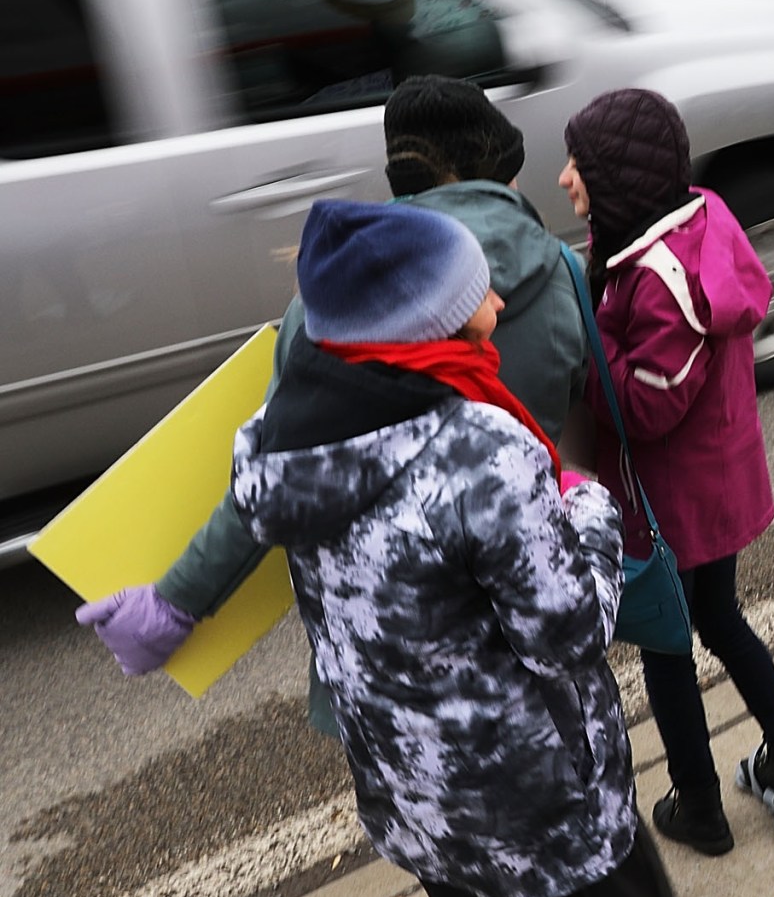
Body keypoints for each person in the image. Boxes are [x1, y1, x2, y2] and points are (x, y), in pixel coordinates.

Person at [224, 200, 686, 897]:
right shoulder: (479, 449)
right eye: (473, 295)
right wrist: (587, 508)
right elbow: (569, 633)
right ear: (418, 323)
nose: (498, 308)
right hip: (538, 799)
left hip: (419, 794)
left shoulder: (282, 441)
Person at [77, 76, 586, 696]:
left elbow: (280, 476)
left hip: (381, 660)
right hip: (525, 625)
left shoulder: (328, 309)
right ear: (502, 173)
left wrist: (175, 602)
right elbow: (598, 414)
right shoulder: (564, 272)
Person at [560, 88, 774, 857]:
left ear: (620, 181)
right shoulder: (700, 220)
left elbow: (648, 409)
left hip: (677, 499)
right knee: (719, 619)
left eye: (579, 166)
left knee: (670, 644)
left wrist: (583, 323)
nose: (565, 180)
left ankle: (700, 804)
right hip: (719, 481)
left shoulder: (659, 280)